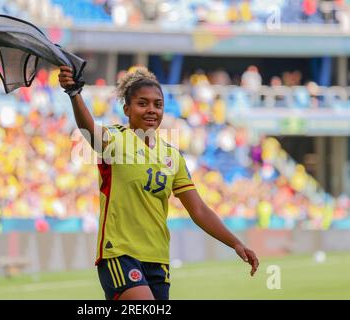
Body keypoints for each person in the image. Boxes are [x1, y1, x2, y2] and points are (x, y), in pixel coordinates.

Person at [58, 65, 259, 300]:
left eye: (158, 104)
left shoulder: (172, 156)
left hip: (158, 259)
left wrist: (235, 243)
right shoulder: (114, 140)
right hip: (120, 255)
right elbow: (88, 128)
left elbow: (199, 209)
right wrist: (74, 93)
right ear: (127, 109)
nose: (151, 110)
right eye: (142, 103)